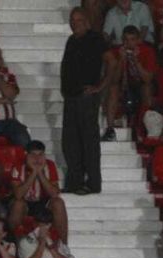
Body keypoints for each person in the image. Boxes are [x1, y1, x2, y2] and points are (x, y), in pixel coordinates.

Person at [60, 7, 109, 195]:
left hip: (86, 97)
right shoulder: (71, 40)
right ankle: (75, 182)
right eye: (72, 21)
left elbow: (112, 62)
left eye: (79, 20)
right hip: (71, 97)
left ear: (87, 22)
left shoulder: (95, 39)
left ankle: (93, 183)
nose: (75, 24)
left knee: (88, 141)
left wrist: (100, 87)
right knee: (70, 142)